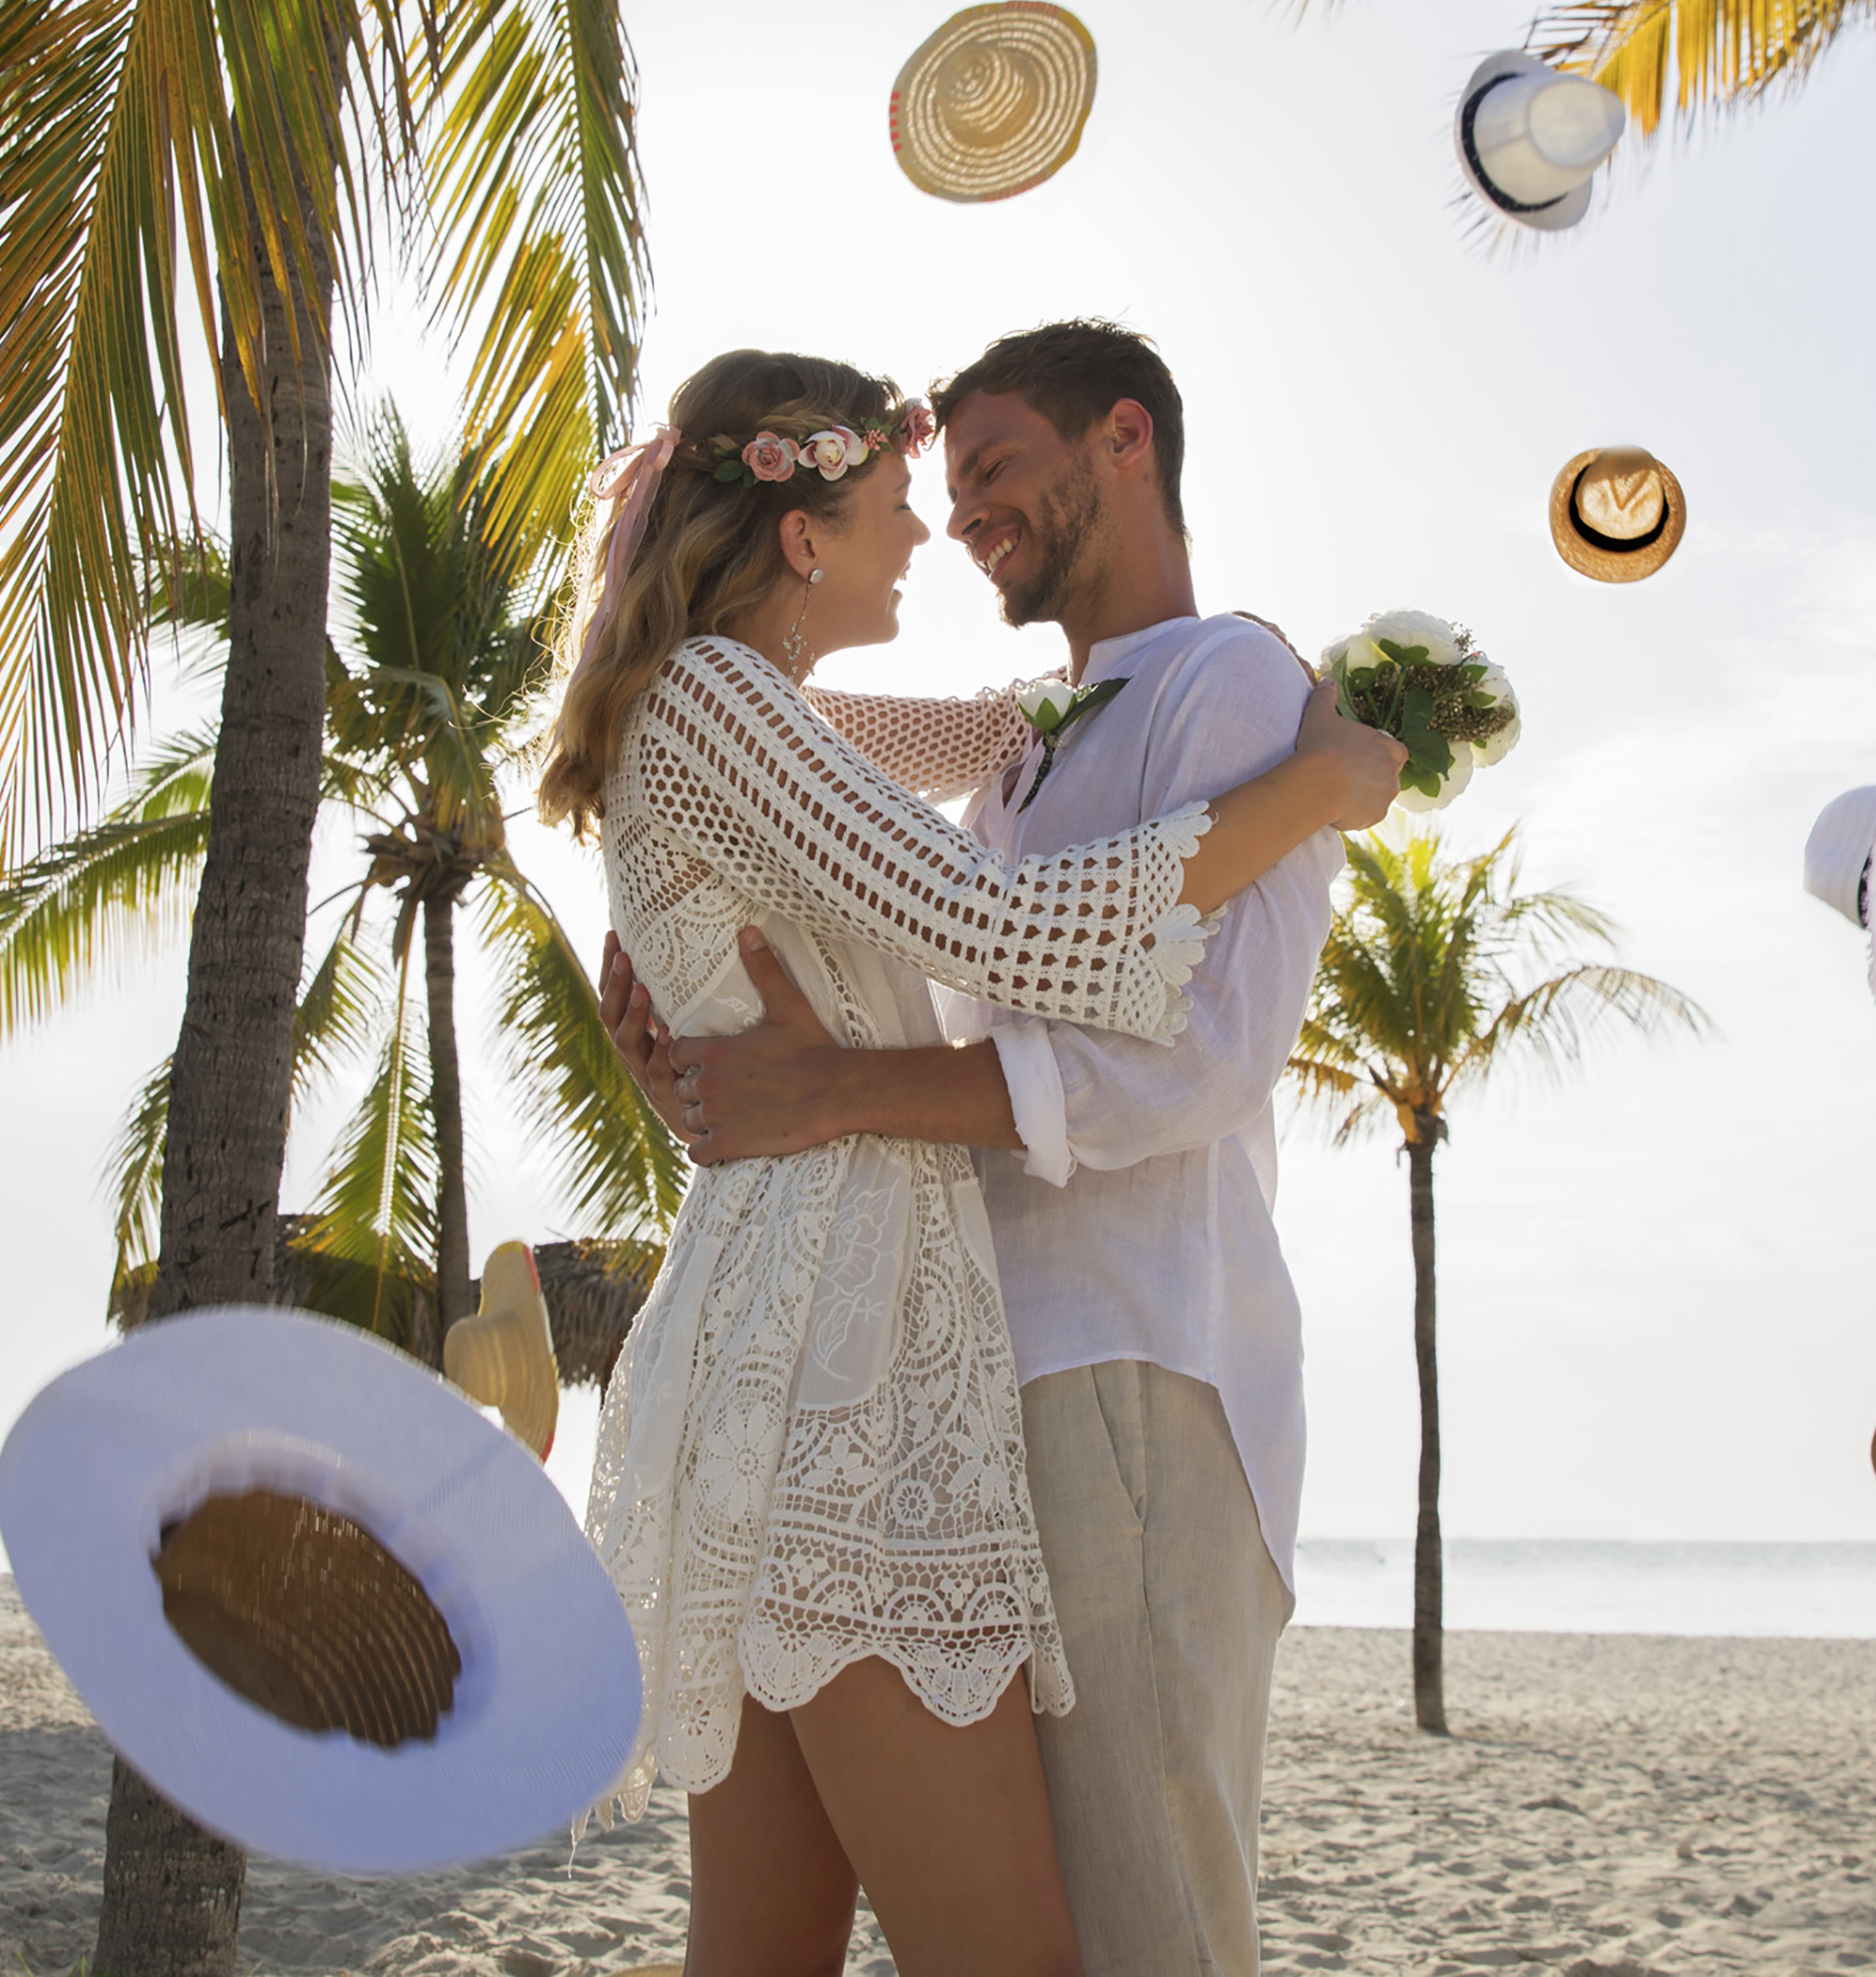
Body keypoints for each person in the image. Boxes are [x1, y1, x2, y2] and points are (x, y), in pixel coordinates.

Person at [537, 344, 1403, 1977]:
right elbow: (1008, 925)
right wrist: (1316, 786)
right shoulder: (728, 702)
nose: (932, 530)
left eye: (973, 476)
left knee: (763, 1956)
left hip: (784, 1341)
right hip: (850, 1360)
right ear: (802, 535)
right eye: (892, 501)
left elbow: (983, 731)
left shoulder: (744, 707)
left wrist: (1222, 683)